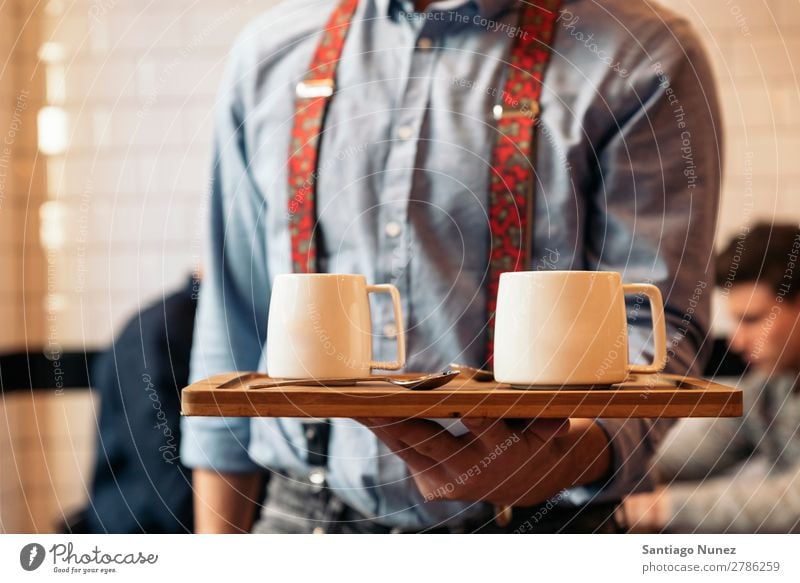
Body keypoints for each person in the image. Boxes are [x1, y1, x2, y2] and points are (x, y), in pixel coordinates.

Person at [181, 0, 721, 534]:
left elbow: (656, 324)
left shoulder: (640, 52)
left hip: (544, 526)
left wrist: (565, 458)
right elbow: (233, 321)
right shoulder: (270, 53)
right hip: (301, 521)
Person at [625, 223, 800, 534]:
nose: (737, 341)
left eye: (752, 319)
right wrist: (599, 468)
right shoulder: (771, 389)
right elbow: (684, 456)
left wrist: (653, 508)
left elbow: (792, 504)